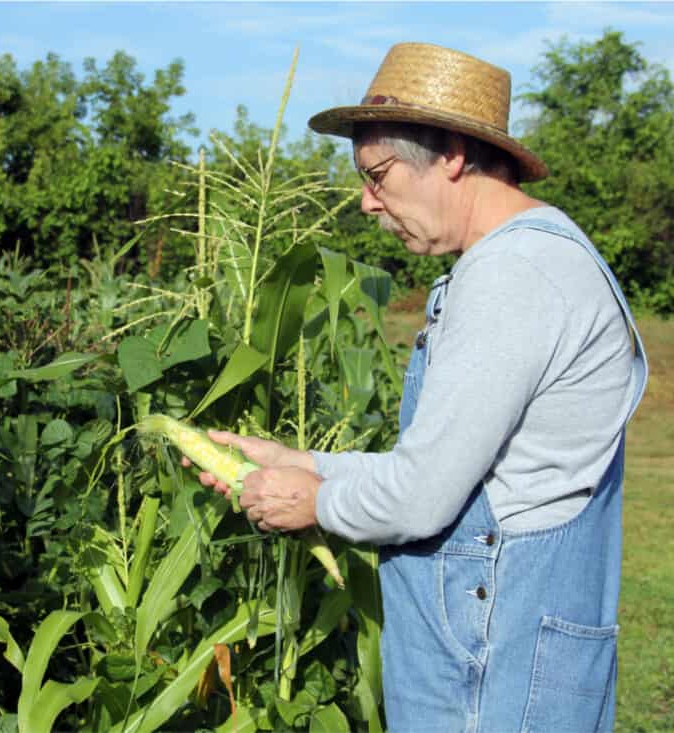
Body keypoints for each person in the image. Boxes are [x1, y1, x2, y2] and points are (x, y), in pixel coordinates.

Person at [192, 43, 648, 732]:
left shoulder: (512, 278)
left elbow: (423, 498)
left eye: (379, 176)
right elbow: (461, 472)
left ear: (453, 157)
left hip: (492, 661)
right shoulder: (540, 256)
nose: (368, 203)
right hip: (517, 653)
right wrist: (304, 464)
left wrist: (311, 500)